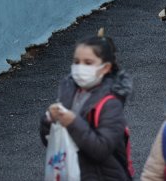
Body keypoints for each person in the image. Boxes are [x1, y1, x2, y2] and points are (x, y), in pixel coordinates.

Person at [40, 30, 133, 180]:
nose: (79, 67)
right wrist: (49, 120)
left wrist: (72, 122)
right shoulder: (68, 93)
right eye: (76, 62)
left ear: (105, 68)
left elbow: (101, 150)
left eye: (88, 63)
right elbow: (51, 140)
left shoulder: (110, 104)